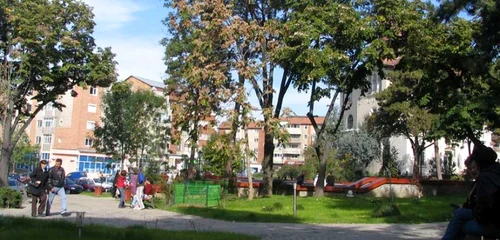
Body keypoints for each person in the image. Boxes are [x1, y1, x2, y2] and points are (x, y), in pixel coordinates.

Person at [441, 144, 500, 239]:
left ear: (479, 163)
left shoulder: (485, 178)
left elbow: (484, 208)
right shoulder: (495, 172)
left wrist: (475, 215)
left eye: (474, 165)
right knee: (461, 218)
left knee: (463, 222)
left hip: (494, 223)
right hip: (493, 219)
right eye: (470, 168)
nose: (472, 170)